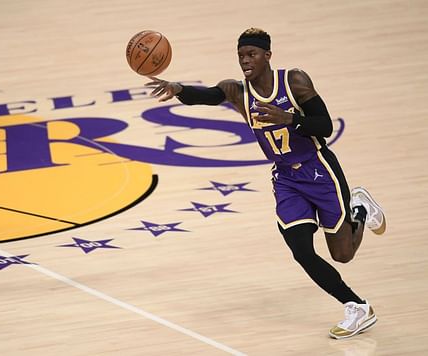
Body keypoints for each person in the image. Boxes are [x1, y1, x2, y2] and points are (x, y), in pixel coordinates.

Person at [144, 27, 386, 339]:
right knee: (301, 250)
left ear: (267, 56)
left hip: (319, 170)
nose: (245, 60)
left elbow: (323, 126)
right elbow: (206, 96)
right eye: (241, 55)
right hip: (286, 179)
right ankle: (356, 306)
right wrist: (177, 88)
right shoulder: (236, 91)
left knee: (342, 254)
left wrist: (289, 119)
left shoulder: (294, 81)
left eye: (252, 54)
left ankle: (360, 208)